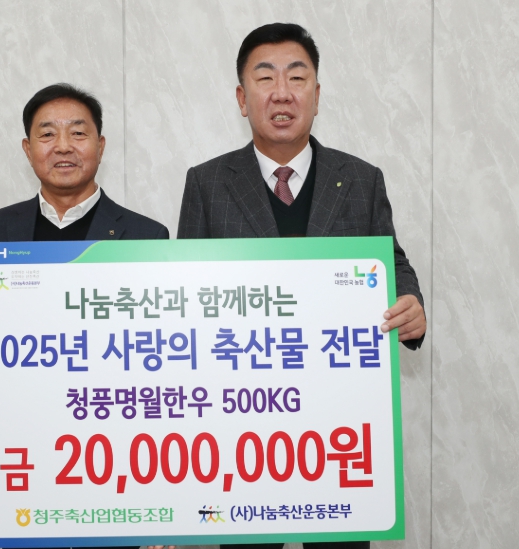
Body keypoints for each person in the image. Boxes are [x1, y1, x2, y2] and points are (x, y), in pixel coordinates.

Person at [177, 23, 427, 549]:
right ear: (242, 99)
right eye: (265, 77)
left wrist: (410, 302)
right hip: (243, 426)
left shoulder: (361, 179)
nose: (282, 92)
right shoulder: (206, 182)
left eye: (297, 77)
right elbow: (186, 290)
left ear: (317, 94)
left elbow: (390, 262)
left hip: (337, 426)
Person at [0, 83, 173, 549]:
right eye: (47, 134)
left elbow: (165, 360)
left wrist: (162, 507)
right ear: (27, 149)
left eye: (78, 133)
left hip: (117, 462)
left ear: (100, 146)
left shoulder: (146, 236)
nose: (63, 146)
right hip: (28, 457)